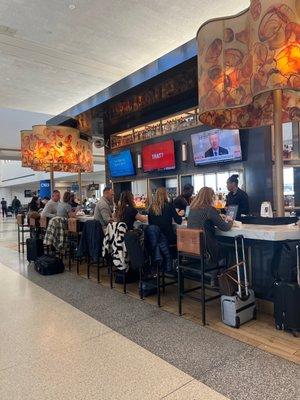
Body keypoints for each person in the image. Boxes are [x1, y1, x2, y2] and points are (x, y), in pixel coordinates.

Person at [187, 187, 233, 266]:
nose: (213, 198)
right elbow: (225, 227)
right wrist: (230, 220)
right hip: (206, 248)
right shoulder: (209, 209)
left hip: (192, 246)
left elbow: (204, 220)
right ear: (209, 197)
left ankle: (213, 274)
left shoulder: (192, 208)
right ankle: (217, 276)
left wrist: (218, 216)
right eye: (213, 196)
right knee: (226, 250)